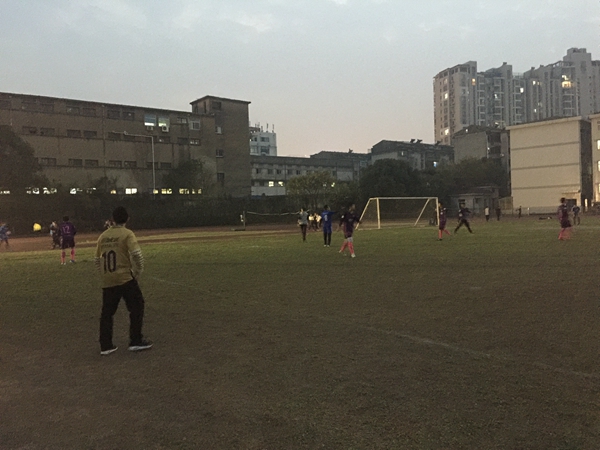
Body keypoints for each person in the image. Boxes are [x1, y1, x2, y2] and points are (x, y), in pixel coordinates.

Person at [95, 206, 152, 356]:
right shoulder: (127, 234)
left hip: (108, 279)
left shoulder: (103, 236)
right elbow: (137, 255)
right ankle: (135, 340)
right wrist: (137, 272)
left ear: (112, 220)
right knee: (137, 306)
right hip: (125, 277)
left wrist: (103, 274)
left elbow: (97, 259)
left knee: (107, 313)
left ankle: (105, 345)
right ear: (127, 219)